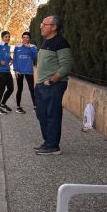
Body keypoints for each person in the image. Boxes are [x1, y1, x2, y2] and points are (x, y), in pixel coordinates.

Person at [34, 15, 72, 155]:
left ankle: (53, 146)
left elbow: (66, 66)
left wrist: (51, 80)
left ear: (54, 27)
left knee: (52, 115)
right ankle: (47, 142)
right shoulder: (46, 41)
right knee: (41, 114)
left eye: (44, 24)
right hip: (42, 86)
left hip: (53, 86)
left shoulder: (60, 43)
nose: (41, 26)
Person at [13, 32, 38, 114]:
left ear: (29, 38)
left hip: (28, 71)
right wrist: (15, 70)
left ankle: (35, 106)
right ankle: (18, 107)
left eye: (27, 37)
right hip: (19, 71)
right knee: (19, 89)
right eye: (24, 37)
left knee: (32, 89)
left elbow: (34, 57)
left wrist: (28, 48)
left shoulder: (33, 47)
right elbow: (15, 59)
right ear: (22, 38)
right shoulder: (17, 47)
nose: (25, 39)